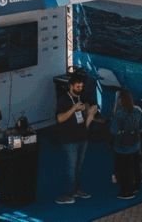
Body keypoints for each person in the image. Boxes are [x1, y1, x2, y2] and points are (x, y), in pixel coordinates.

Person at [55, 72, 96, 204]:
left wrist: (90, 114)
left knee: (78, 166)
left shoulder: (82, 98)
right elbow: (60, 118)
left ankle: (77, 190)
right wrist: (74, 108)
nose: (80, 88)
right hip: (69, 139)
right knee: (71, 167)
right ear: (71, 86)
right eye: (77, 86)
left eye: (81, 86)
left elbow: (86, 118)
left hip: (82, 137)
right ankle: (69, 194)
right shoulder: (64, 99)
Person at [109, 89, 142, 199]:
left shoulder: (119, 113)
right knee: (135, 166)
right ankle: (136, 187)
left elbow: (113, 130)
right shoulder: (138, 110)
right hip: (135, 145)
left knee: (124, 169)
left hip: (122, 147)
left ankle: (127, 192)